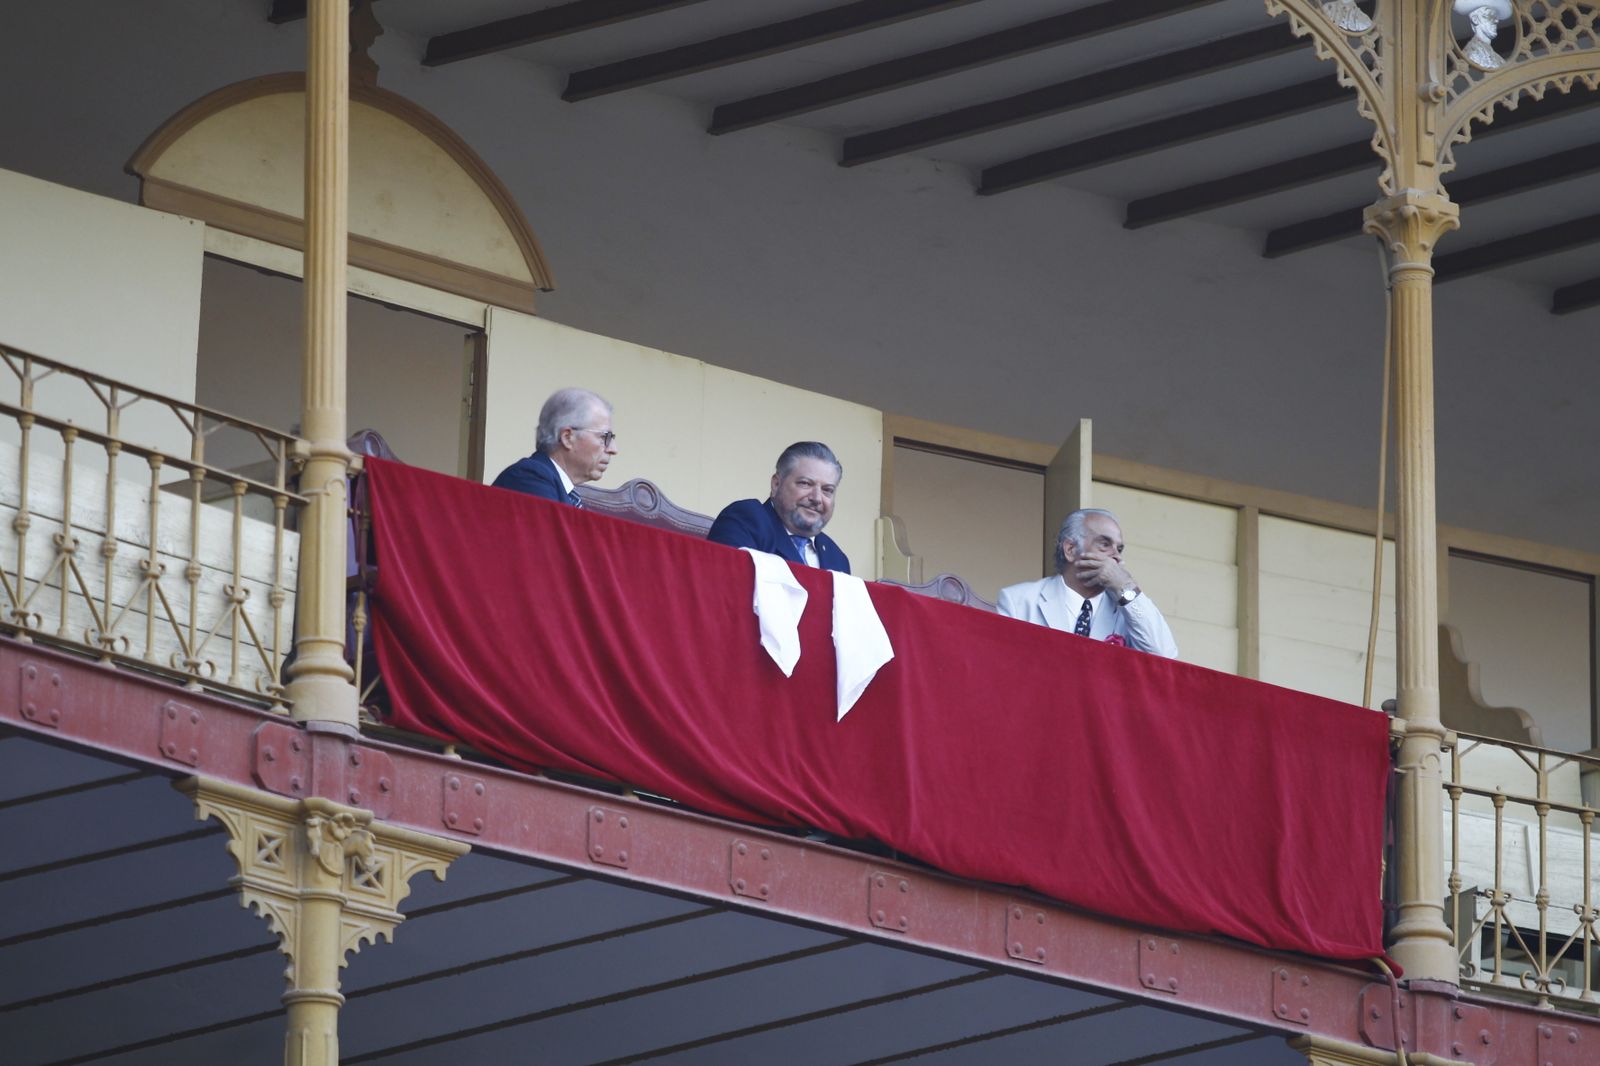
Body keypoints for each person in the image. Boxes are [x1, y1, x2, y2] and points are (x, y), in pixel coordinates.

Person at [997, 507, 1178, 658]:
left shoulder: (1128, 609)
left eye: (1119, 549)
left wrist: (1126, 588)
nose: (1116, 556)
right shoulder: (1017, 600)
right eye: (1105, 544)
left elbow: (1164, 656)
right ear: (1070, 549)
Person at [708, 442, 850, 573]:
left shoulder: (837, 558)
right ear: (776, 484)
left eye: (827, 490)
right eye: (805, 483)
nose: (817, 498)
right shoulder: (745, 520)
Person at [491, 388, 617, 506]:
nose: (613, 449)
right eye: (604, 437)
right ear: (567, 438)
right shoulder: (530, 478)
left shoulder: (563, 491)